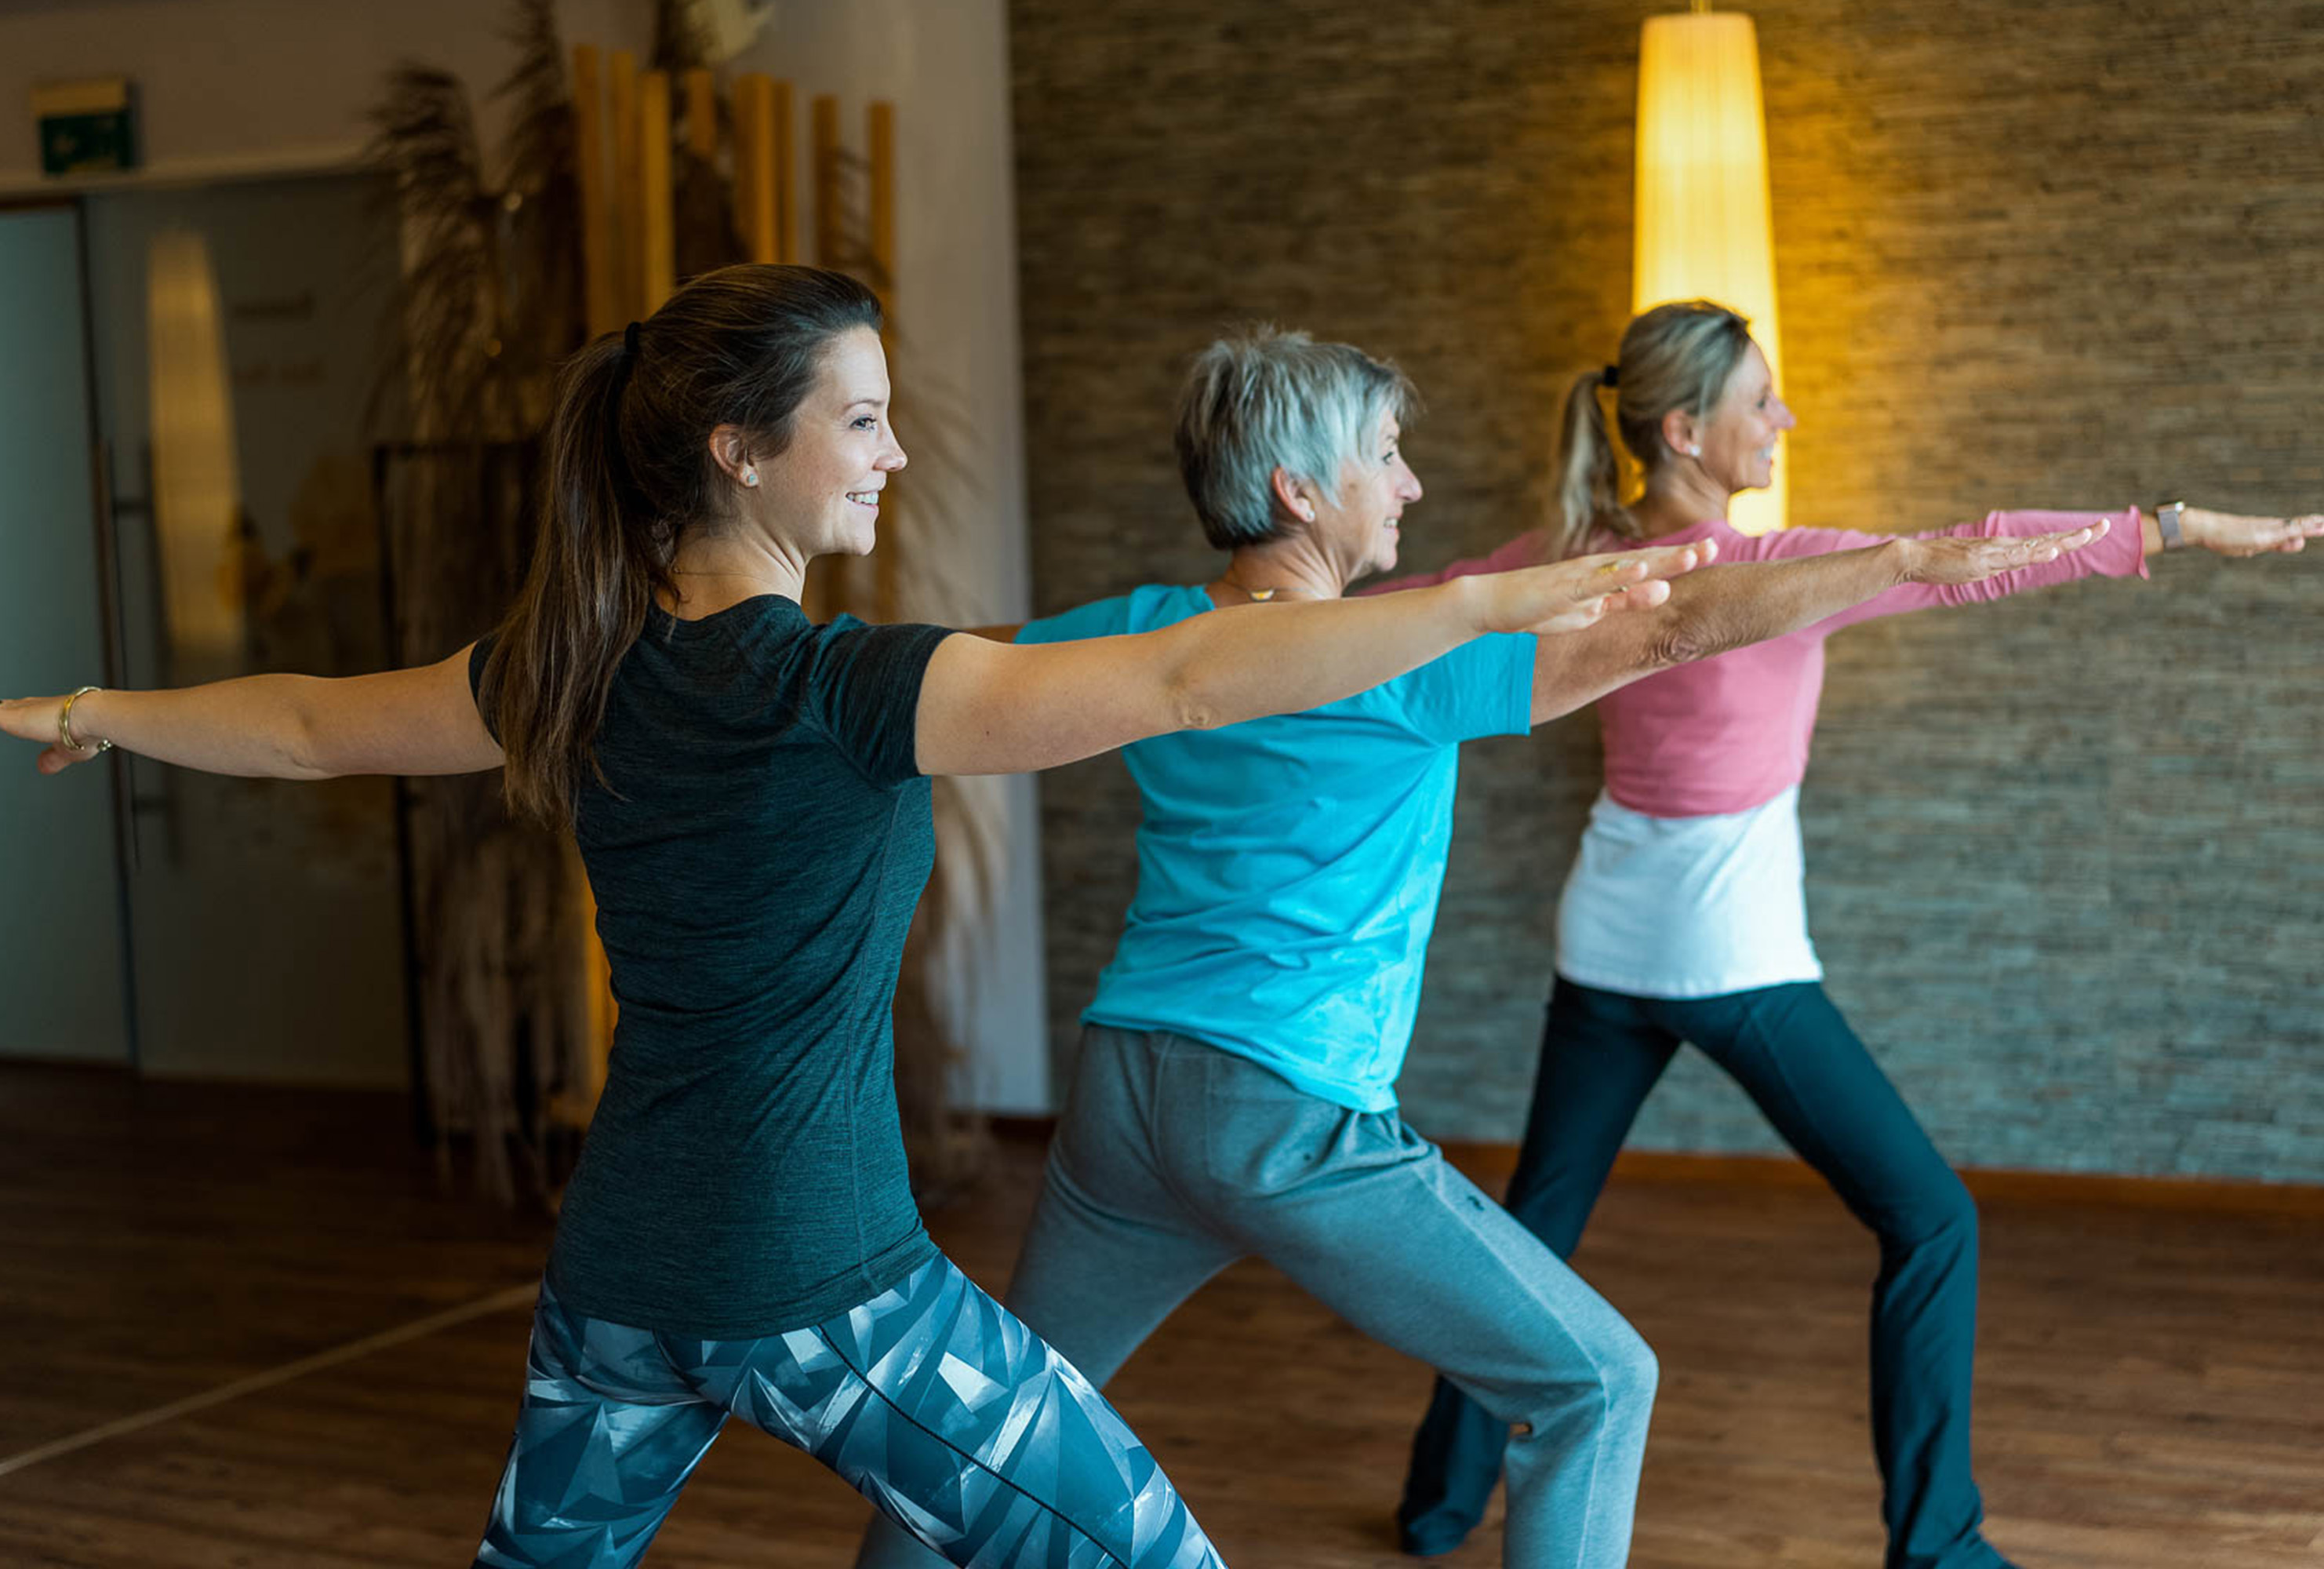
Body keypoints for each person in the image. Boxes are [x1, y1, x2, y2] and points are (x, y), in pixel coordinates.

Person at [0, 266, 1685, 1569]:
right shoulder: (849, 692)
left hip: (618, 1285)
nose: (893, 453)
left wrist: (94, 704)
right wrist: (1479, 606)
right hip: (826, 1294)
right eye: (861, 420)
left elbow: (306, 728)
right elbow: (1187, 676)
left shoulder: (568, 668)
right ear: (742, 451)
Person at [853, 325, 2105, 1569]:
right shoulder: (1404, 659)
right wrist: (1899, 560)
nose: (1408, 486)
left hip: (1124, 1095)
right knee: (1598, 1382)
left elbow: (946, 670)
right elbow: (1677, 623)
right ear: (1299, 491)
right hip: (1286, 1113)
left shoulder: (1142, 626)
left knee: (996, 1419)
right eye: (1386, 457)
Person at [1389, 299, 2324, 1569]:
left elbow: (1409, 609)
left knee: (1534, 1235)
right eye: (1760, 403)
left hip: (1607, 943)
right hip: (1727, 959)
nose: (1783, 419)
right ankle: (1937, 1545)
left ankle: (1437, 1505)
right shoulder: (1779, 569)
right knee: (1931, 1219)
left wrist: (1232, 618)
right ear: (1684, 430)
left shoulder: (1571, 554)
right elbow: (1977, 550)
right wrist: (2171, 528)